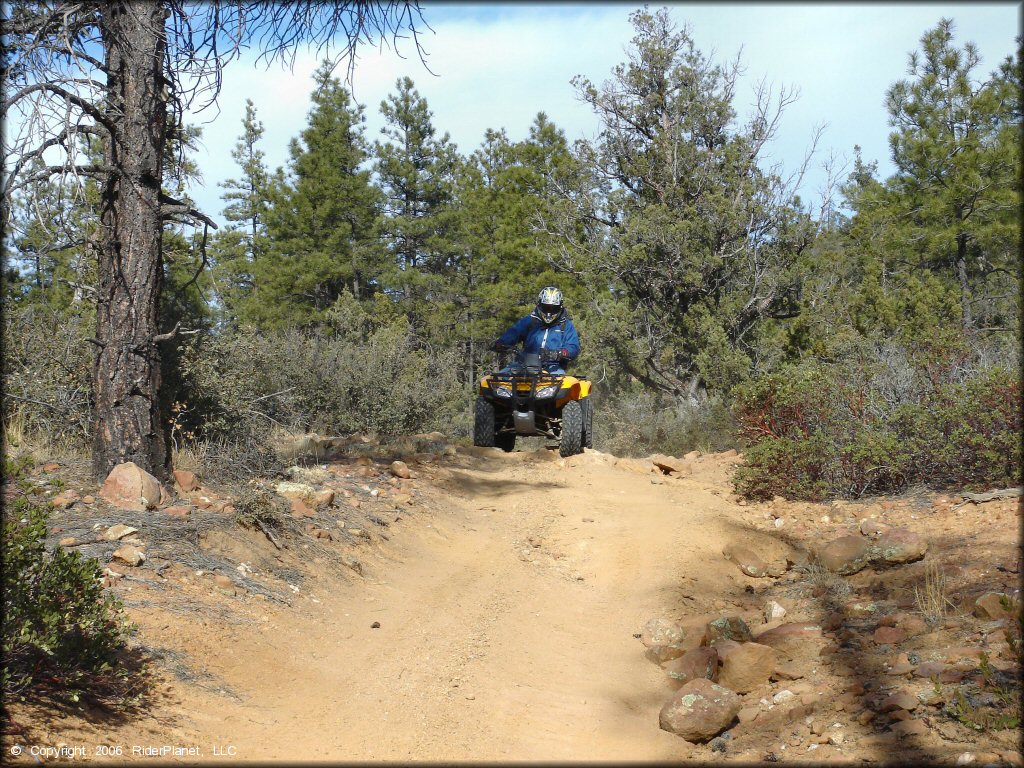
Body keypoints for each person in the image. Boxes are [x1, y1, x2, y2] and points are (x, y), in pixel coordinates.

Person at [493, 286, 580, 374]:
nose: (549, 312)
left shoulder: (566, 325)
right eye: (546, 307)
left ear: (560, 307)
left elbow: (573, 346)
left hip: (553, 367)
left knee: (563, 383)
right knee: (498, 379)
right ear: (539, 305)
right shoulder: (530, 321)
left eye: (553, 308)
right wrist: (501, 342)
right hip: (524, 364)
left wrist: (561, 353)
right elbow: (514, 332)